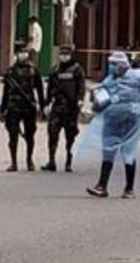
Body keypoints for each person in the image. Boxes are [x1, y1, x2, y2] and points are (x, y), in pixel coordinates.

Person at [79, 52, 140, 199]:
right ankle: (102, 186)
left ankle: (129, 188)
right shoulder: (109, 80)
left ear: (123, 64)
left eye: (115, 64)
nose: (112, 67)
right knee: (108, 150)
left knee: (128, 151)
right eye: (110, 64)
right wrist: (95, 101)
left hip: (132, 118)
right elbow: (99, 99)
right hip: (113, 119)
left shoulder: (136, 76)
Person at [1, 41, 45, 172]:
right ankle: (13, 162)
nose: (22, 55)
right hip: (13, 106)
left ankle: (29, 160)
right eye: (20, 52)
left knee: (30, 135)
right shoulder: (10, 71)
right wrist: (2, 109)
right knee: (13, 135)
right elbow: (5, 92)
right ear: (16, 54)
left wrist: (42, 107)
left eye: (24, 52)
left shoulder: (33, 70)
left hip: (28, 106)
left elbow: (40, 89)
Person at [41, 45, 86, 172]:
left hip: (71, 108)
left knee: (70, 136)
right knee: (52, 134)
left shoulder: (77, 69)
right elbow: (50, 89)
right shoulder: (55, 70)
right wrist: (46, 104)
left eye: (66, 54)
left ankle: (68, 162)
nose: (63, 56)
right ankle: (51, 161)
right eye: (62, 54)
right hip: (57, 107)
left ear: (71, 55)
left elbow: (81, 86)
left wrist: (80, 100)